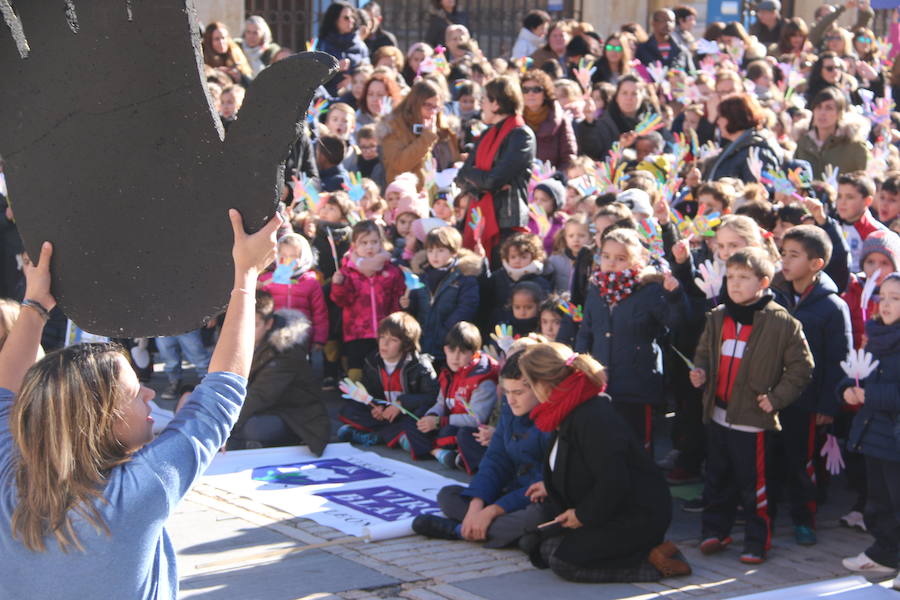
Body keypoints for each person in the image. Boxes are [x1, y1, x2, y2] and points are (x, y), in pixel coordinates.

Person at [0, 210, 281, 598]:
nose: (150, 394)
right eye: (135, 392)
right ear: (101, 421)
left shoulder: (8, 473)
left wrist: (34, 302)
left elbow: (5, 391)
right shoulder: (133, 496)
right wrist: (246, 277)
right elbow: (221, 395)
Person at [516, 343, 690, 582]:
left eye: (528, 384)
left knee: (563, 562)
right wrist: (553, 486)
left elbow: (615, 480)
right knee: (540, 546)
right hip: (608, 508)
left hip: (635, 515)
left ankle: (657, 562)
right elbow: (580, 466)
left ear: (544, 383)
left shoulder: (593, 416)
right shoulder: (566, 408)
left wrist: (582, 515)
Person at [691, 247, 814, 564]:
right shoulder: (717, 317)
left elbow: (802, 368)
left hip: (752, 420)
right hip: (718, 415)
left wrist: (775, 398)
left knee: (754, 486)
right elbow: (704, 353)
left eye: (744, 277)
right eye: (730, 276)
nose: (734, 284)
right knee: (717, 479)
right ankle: (715, 531)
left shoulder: (782, 323)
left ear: (764, 281)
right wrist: (700, 371)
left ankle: (757, 542)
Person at [413, 347, 551, 545]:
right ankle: (495, 531)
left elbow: (545, 481)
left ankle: (460, 530)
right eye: (507, 392)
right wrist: (476, 506)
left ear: (539, 388)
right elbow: (495, 458)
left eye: (519, 393)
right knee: (448, 496)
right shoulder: (509, 408)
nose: (511, 400)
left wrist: (493, 510)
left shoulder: (552, 420)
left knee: (536, 516)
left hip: (535, 497)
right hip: (510, 490)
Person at [770, 225, 852, 546]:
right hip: (771, 396)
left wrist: (828, 406)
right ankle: (767, 513)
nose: (785, 262)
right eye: (783, 254)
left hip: (807, 400)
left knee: (801, 461)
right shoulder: (774, 295)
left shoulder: (833, 307)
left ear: (817, 263)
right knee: (770, 458)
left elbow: (838, 361)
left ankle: (805, 518)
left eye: (794, 255)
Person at [575, 228, 684, 452]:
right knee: (606, 445)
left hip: (636, 383)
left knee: (636, 446)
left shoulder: (649, 290)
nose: (611, 263)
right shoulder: (596, 288)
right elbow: (586, 331)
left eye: (620, 258)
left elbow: (675, 323)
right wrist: (581, 366)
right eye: (606, 256)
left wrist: (674, 297)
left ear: (636, 260)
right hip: (600, 381)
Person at [839, 272, 900, 590]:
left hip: (894, 437)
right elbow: (857, 372)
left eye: (896, 298)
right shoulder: (875, 336)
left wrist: (869, 395)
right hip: (874, 435)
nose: (886, 304)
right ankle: (885, 552)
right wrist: (847, 389)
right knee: (878, 502)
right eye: (883, 296)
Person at [227, 290, 331, 454]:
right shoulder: (243, 339)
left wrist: (224, 427)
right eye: (242, 323)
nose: (246, 330)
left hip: (295, 416)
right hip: (264, 407)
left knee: (251, 428)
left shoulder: (287, 349)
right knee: (189, 403)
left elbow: (260, 394)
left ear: (269, 323)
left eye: (253, 325)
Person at [396, 322, 498, 470]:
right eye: (451, 350)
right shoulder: (448, 372)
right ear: (445, 350)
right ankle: (438, 452)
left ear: (474, 354)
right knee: (415, 418)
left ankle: (436, 451)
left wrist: (438, 422)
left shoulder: (482, 379)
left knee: (460, 434)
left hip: (465, 427)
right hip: (449, 421)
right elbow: (441, 403)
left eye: (462, 352)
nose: (455, 357)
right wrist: (430, 416)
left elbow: (476, 419)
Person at [457, 76, 536, 264]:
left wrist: (478, 179)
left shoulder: (521, 135)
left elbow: (494, 180)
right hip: (480, 218)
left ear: (496, 103)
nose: (481, 105)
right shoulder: (487, 133)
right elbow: (461, 176)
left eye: (484, 100)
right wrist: (482, 183)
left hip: (507, 223)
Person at [337, 312, 439, 445]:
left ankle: (377, 436)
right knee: (350, 409)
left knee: (419, 416)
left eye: (393, 340)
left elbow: (433, 397)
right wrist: (375, 407)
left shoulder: (420, 365)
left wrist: (401, 403)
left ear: (407, 345)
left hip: (406, 413)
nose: (384, 343)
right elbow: (368, 391)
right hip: (386, 413)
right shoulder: (373, 360)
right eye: (382, 337)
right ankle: (391, 436)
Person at [330, 220, 405, 382]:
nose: (369, 247)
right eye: (363, 243)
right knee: (357, 370)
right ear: (354, 245)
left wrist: (401, 309)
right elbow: (341, 300)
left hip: (385, 332)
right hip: (356, 331)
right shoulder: (348, 271)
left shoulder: (391, 270)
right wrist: (338, 285)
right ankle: (357, 401)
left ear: (381, 242)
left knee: (382, 370)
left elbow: (396, 297)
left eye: (374, 242)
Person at [404, 226, 481, 362]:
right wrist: (407, 305)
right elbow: (416, 309)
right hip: (422, 342)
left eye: (440, 250)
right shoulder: (421, 276)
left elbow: (467, 307)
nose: (434, 256)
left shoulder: (464, 277)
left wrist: (445, 332)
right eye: (430, 250)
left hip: (450, 345)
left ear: (454, 252)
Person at [379, 80, 458, 191]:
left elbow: (451, 159)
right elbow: (399, 164)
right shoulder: (394, 127)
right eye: (428, 106)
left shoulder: (442, 127)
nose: (432, 112)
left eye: (436, 107)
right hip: (405, 196)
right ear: (415, 104)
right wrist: (426, 138)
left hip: (435, 198)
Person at [257, 233, 328, 351]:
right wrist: (257, 289)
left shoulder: (311, 282)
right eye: (283, 256)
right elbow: (258, 307)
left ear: (304, 257)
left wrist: (319, 339)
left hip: (301, 334)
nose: (288, 260)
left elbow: (319, 312)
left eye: (294, 256)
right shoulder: (267, 279)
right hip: (272, 332)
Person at [793, 87, 869, 179]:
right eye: (818, 107)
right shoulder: (803, 143)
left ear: (839, 113)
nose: (822, 113)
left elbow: (863, 182)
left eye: (829, 108)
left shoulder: (854, 145)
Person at [706, 93, 783, 183]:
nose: (718, 121)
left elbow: (760, 189)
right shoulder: (736, 145)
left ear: (733, 117)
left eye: (721, 116)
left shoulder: (757, 150)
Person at [481, 232, 552, 331]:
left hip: (531, 328)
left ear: (534, 258)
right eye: (513, 257)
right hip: (501, 328)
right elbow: (486, 298)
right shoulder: (498, 277)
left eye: (523, 257)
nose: (518, 261)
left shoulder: (540, 281)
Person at [520, 70, 577, 171]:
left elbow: (568, 158)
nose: (530, 93)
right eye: (525, 90)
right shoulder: (514, 119)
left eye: (536, 89)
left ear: (545, 93)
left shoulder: (561, 120)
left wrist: (553, 179)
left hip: (550, 181)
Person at [837, 171, 892, 272]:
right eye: (839, 196)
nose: (842, 202)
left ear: (867, 201)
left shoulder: (877, 233)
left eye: (850, 197)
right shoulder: (833, 224)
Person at [318, 1, 370, 96]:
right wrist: (334, 69)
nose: (351, 20)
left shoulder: (360, 45)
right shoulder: (323, 44)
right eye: (346, 18)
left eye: (352, 17)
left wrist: (354, 80)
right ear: (335, 19)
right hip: (327, 99)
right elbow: (316, 75)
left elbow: (368, 70)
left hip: (356, 97)